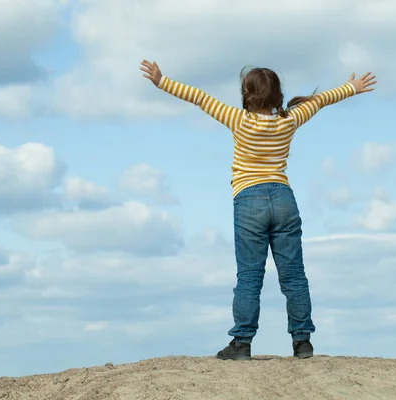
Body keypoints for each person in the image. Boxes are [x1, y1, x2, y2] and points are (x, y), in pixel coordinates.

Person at [140, 60, 376, 360]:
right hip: (284, 199)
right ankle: (302, 342)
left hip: (249, 199)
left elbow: (198, 97)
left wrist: (162, 81)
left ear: (247, 95)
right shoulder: (290, 120)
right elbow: (320, 101)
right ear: (278, 95)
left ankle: (242, 343)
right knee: (294, 276)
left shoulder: (238, 119)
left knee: (249, 277)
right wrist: (351, 88)